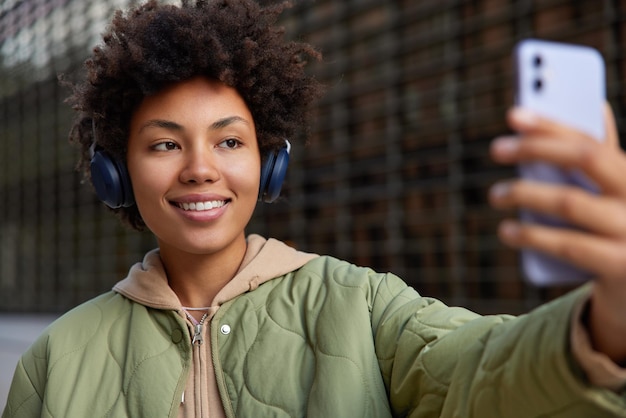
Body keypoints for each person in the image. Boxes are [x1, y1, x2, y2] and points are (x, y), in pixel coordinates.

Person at [3, 0, 626, 417]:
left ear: (269, 163)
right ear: (115, 171)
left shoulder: (368, 307)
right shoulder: (54, 365)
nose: (200, 167)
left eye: (229, 141)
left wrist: (606, 327)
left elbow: (484, 374)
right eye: (166, 143)